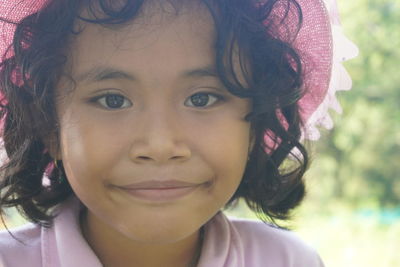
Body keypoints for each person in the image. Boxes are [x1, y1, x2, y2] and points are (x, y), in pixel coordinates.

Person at [0, 0, 357, 266]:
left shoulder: (286, 261)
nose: (160, 146)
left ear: (254, 124)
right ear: (49, 126)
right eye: (113, 100)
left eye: (202, 98)